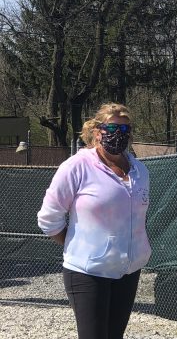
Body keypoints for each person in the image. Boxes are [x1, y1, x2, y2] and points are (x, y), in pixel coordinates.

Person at [37, 103, 151, 339]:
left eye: (124, 129)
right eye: (111, 127)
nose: (118, 134)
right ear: (97, 131)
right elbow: (49, 217)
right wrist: (76, 243)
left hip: (128, 270)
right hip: (88, 271)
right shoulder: (76, 167)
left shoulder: (139, 171)